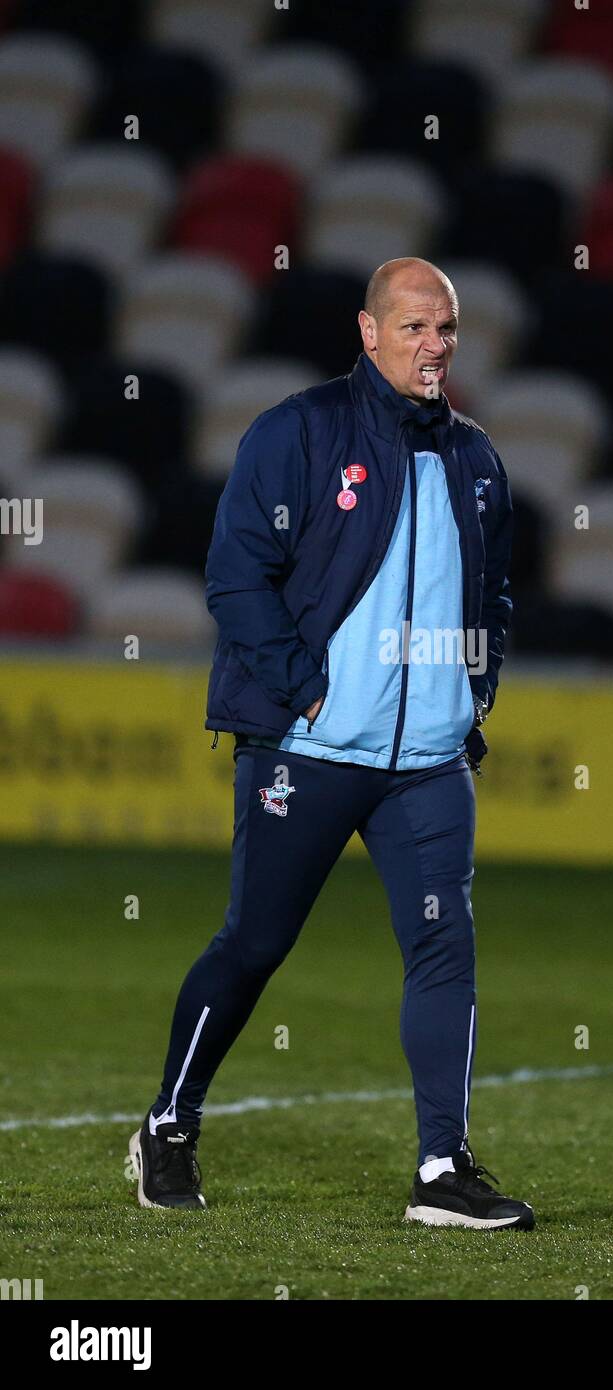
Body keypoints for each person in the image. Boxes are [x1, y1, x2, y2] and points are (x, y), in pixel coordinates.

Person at [128, 257, 534, 1230]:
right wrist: (304, 694)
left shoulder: (475, 460)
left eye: (444, 328)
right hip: (307, 753)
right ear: (366, 330)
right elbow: (236, 580)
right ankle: (169, 1126)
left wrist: (470, 692)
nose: (433, 345)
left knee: (443, 952)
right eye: (412, 327)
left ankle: (441, 1170)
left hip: (427, 767)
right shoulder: (297, 433)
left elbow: (493, 598)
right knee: (256, 943)